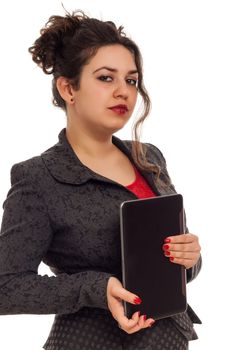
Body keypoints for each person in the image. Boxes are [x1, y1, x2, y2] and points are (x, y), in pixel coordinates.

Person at [0, 9, 202, 350]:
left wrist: (191, 256)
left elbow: (175, 265)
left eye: (131, 80)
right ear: (68, 88)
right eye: (106, 78)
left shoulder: (148, 158)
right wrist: (95, 287)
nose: (123, 91)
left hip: (166, 341)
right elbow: (5, 288)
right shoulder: (37, 178)